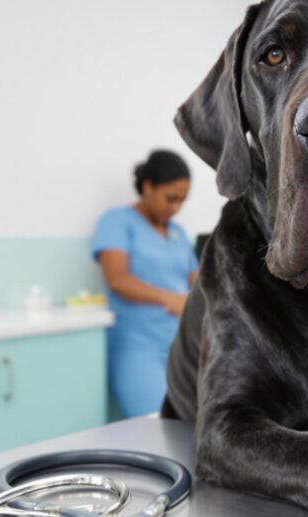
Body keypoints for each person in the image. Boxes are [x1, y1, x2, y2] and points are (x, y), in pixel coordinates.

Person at [92, 150, 199, 417]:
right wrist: (169, 298)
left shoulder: (178, 232)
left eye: (181, 201)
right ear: (148, 186)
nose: (175, 208)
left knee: (200, 425)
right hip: (138, 348)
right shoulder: (116, 221)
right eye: (170, 198)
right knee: (160, 424)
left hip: (183, 348)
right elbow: (117, 280)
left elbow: (197, 282)